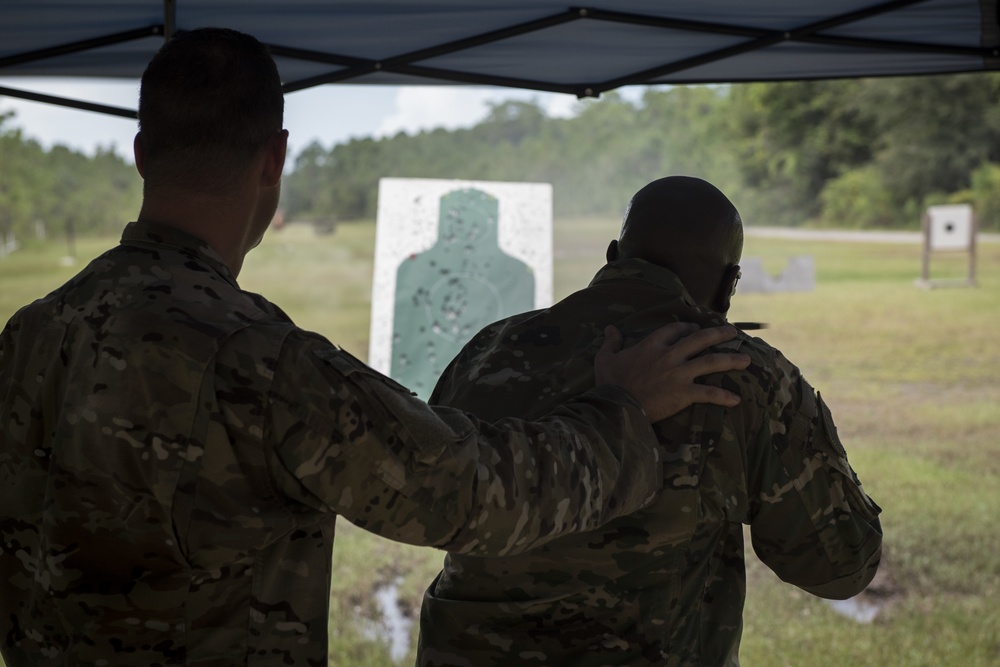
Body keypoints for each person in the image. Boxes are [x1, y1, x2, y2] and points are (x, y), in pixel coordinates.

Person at [0, 32, 752, 666]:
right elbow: (469, 494)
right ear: (275, 158)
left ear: (140, 153)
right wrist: (623, 408)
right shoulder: (265, 361)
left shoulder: (29, 335)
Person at [418, 175, 883, 667]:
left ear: (613, 255)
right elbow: (840, 564)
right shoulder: (741, 373)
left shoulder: (489, 350)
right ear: (729, 287)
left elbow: (439, 500)